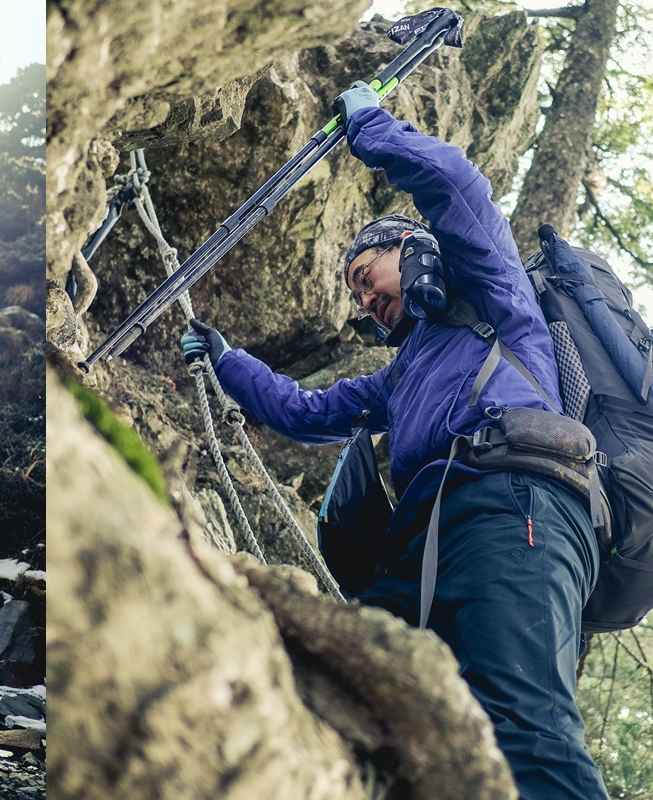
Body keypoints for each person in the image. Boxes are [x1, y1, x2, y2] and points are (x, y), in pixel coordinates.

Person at [182, 83, 607, 799]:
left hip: (521, 507)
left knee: (524, 723)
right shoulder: (403, 373)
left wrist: (371, 128)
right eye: (355, 294)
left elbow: (455, 186)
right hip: (425, 538)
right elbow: (306, 413)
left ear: (408, 249)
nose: (364, 299)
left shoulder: (496, 294)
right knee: (356, 692)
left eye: (365, 277)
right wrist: (228, 362)